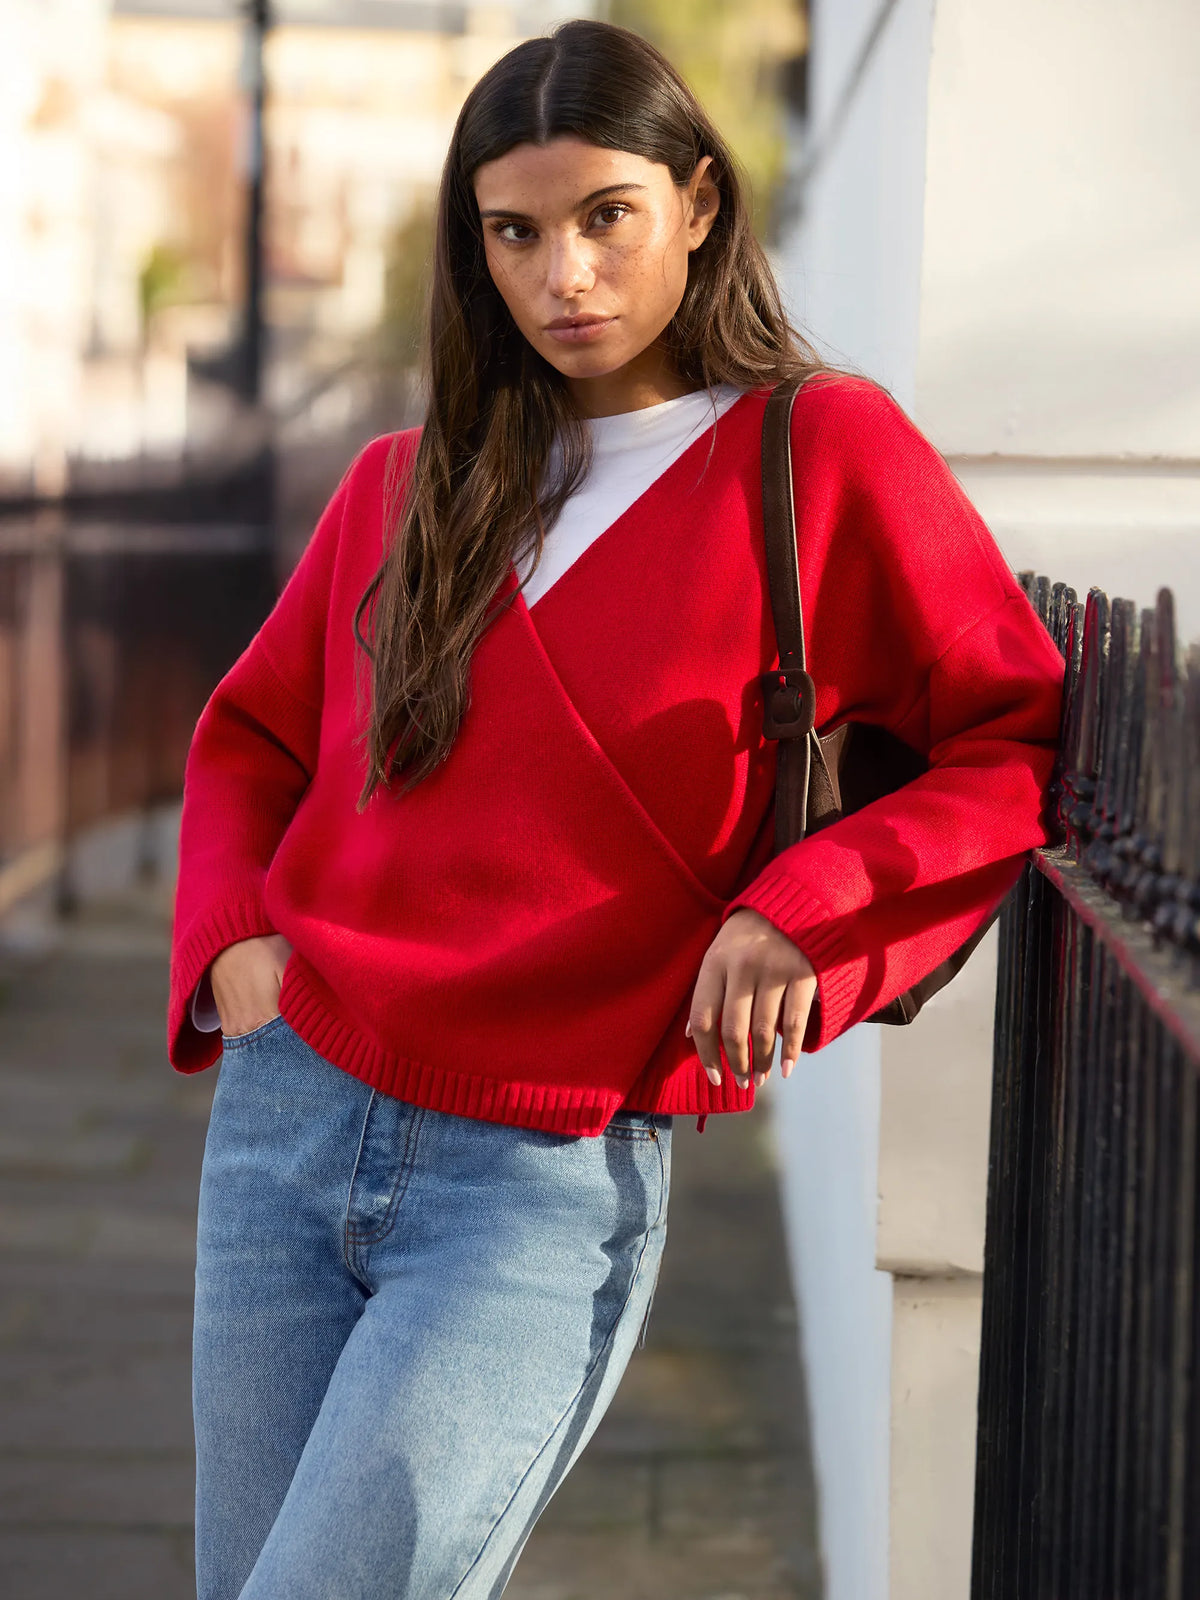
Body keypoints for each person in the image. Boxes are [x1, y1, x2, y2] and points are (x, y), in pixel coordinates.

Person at [169, 17, 1065, 1599]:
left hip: (535, 1184)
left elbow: (1012, 738)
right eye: (514, 233)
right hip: (289, 1117)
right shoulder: (406, 483)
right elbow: (250, 740)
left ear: (700, 204)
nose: (562, 275)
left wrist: (805, 911)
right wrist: (242, 951)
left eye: (606, 217)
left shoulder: (818, 452)